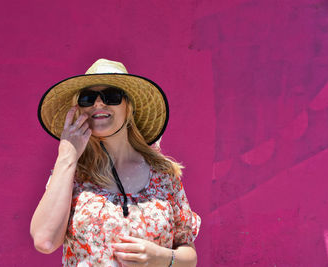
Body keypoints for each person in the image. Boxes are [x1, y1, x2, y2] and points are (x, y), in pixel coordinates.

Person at [30, 59, 201, 267]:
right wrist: (67, 154)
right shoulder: (71, 174)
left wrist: (162, 257)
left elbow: (188, 255)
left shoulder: (163, 175)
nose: (99, 104)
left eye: (112, 96)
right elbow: (45, 240)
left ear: (128, 107)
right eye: (88, 98)